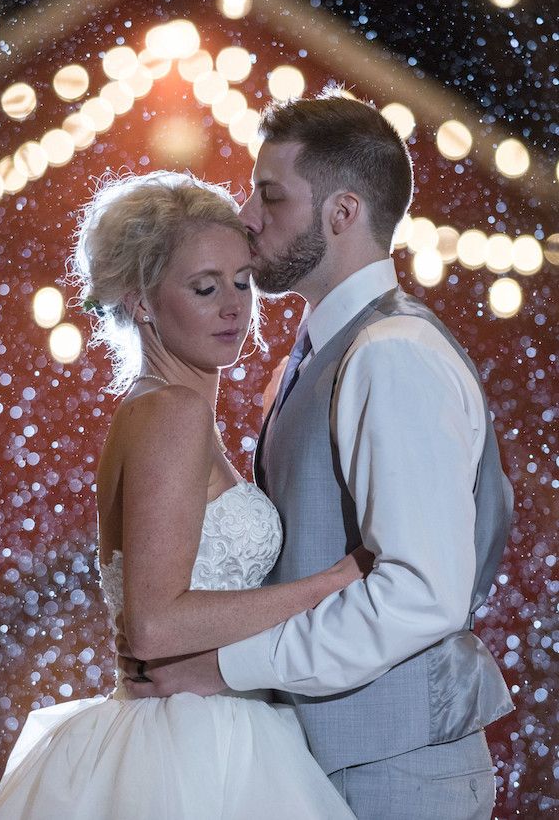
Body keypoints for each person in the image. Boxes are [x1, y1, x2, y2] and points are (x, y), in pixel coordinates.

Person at [119, 93, 515, 820]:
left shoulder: (390, 352)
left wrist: (229, 668)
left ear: (341, 212)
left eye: (271, 196)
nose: (247, 214)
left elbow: (421, 593)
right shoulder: (320, 354)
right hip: (319, 765)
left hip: (394, 772)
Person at [0, 170, 367, 819]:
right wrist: (335, 582)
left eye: (242, 281)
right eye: (205, 287)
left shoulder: (163, 409)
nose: (234, 306)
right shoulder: (171, 413)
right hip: (194, 753)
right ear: (143, 302)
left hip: (199, 735)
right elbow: (153, 623)